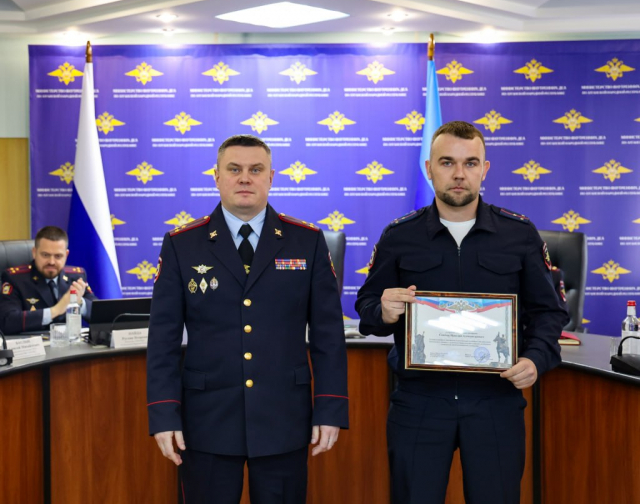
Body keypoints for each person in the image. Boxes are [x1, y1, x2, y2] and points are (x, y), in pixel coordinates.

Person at [355, 121, 568, 504]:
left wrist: (535, 360)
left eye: (470, 163)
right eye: (447, 162)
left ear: (484, 169)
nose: (458, 174)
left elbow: (549, 312)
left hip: (494, 402)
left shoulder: (519, 234)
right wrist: (383, 310)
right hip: (419, 402)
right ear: (429, 168)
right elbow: (367, 307)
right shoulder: (399, 236)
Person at [146, 134, 349, 504]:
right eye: (234, 169)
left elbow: (328, 336)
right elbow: (163, 339)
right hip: (206, 420)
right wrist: (163, 414)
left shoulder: (307, 241)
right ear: (217, 177)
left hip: (283, 418)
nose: (244, 178)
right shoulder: (182, 244)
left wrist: (330, 407)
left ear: (271, 177)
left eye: (256, 170)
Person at [0, 226, 94, 335]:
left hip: (69, 344)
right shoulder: (15, 278)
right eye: (45, 255)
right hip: (32, 343)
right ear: (34, 253)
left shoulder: (76, 276)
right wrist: (56, 310)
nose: (51, 262)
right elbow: (7, 321)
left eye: (58, 256)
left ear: (66, 255)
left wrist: (79, 302)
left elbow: (101, 313)